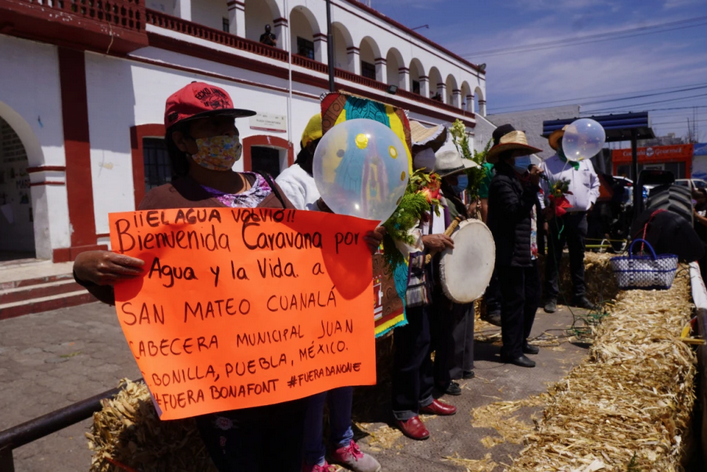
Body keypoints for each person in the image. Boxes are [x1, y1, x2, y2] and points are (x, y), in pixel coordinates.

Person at [72, 82, 384, 472]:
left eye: (230, 126)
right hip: (225, 382)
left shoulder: (269, 188)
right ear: (182, 141)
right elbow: (140, 292)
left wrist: (354, 246)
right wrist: (85, 269)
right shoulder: (164, 202)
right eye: (213, 127)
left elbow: (309, 260)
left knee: (289, 458)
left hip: (289, 366)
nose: (227, 136)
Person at [277, 114, 381, 472]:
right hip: (307, 296)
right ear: (310, 147)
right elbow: (288, 236)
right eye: (331, 148)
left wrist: (368, 238)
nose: (339, 157)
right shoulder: (290, 182)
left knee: (344, 370)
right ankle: (313, 456)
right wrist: (323, 207)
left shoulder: (341, 180)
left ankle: (341, 441)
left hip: (341, 290)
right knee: (314, 382)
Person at [391, 121, 458, 441]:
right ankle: (404, 408)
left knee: (429, 335)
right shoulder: (399, 185)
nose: (429, 154)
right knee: (413, 339)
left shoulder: (431, 186)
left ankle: (424, 394)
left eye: (430, 147)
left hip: (430, 269)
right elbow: (398, 229)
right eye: (421, 148)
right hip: (410, 270)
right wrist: (423, 241)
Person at [486, 125, 544, 368]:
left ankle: (521, 340)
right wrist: (531, 185)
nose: (525, 158)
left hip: (526, 249)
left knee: (531, 297)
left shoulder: (517, 180)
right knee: (514, 301)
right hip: (511, 252)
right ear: (509, 157)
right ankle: (511, 349)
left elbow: (530, 212)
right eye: (520, 153)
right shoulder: (502, 181)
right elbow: (514, 212)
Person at [540, 126, 600, 313]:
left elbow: (595, 184)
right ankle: (551, 296)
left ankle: (579, 295)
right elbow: (540, 191)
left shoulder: (585, 163)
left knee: (578, 256)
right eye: (565, 140)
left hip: (579, 217)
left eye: (572, 140)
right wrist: (545, 211)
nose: (569, 144)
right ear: (558, 144)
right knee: (554, 257)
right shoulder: (547, 165)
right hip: (559, 217)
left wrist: (590, 202)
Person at [433, 149, 478, 383]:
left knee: (464, 318)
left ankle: (462, 365)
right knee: (452, 324)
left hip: (461, 266)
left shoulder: (455, 200)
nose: (462, 179)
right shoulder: (444, 202)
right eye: (456, 176)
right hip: (451, 268)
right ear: (445, 179)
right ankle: (449, 372)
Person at [478, 161, 501, 327]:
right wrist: (487, 229)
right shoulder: (489, 169)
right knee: (495, 267)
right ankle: (493, 306)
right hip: (495, 225)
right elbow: (485, 202)